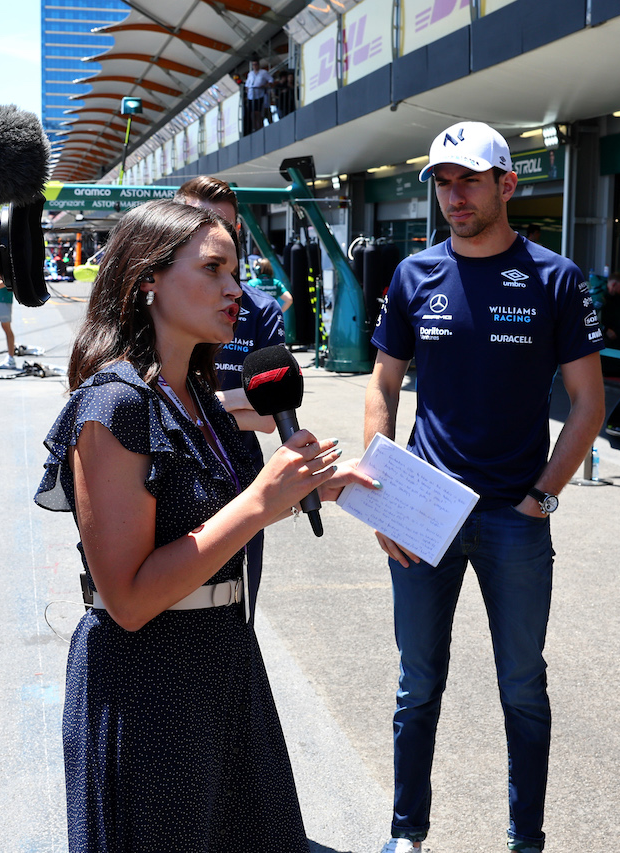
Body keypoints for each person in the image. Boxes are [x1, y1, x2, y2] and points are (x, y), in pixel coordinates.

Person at [34, 200, 375, 852]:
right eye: (214, 269)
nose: (236, 290)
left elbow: (218, 504)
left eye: (237, 270)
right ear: (147, 280)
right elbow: (128, 599)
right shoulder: (113, 404)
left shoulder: (196, 395)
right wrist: (260, 502)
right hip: (149, 690)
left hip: (222, 665)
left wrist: (320, 483)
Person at [365, 121, 606, 853]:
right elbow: (383, 385)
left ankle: (524, 838)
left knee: (523, 688)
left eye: (469, 179)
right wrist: (382, 493)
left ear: (507, 184)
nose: (453, 195)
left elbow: (588, 403)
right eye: (443, 181)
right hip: (425, 511)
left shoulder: (555, 278)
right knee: (417, 687)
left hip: (513, 516)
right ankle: (407, 833)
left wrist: (544, 494)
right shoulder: (414, 275)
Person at [174, 175, 285, 615]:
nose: (213, 235)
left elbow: (269, 416)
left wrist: (182, 407)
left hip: (238, 479)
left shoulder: (260, 310)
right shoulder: (157, 303)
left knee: (235, 614)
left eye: (223, 225)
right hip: (167, 475)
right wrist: (235, 402)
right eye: (197, 221)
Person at [243, 58, 272, 134]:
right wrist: (247, 91)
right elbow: (247, 85)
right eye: (253, 65)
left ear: (258, 65)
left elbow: (271, 80)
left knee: (258, 113)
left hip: (259, 95)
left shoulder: (263, 72)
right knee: (252, 113)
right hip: (251, 96)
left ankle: (260, 127)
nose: (255, 66)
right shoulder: (250, 74)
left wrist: (265, 86)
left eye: (256, 64)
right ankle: (254, 128)